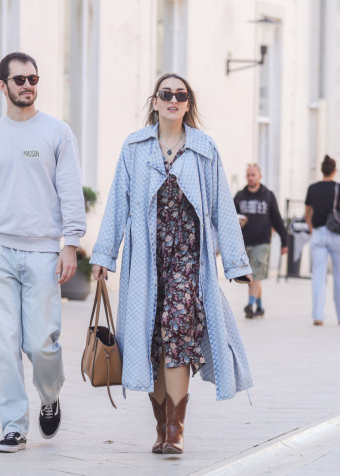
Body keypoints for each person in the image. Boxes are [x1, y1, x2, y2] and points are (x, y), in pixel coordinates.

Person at [90, 73, 253, 455]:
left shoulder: (204, 149)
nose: (173, 100)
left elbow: (221, 208)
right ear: (155, 101)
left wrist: (235, 263)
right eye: (167, 94)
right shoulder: (135, 147)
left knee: (178, 334)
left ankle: (176, 429)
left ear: (189, 103)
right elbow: (117, 203)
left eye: (181, 95)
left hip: (187, 262)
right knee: (152, 343)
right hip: (146, 262)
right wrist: (103, 256)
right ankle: (161, 425)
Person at [0, 52, 86, 453]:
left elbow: (70, 193)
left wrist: (70, 245)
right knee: (2, 343)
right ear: (2, 86)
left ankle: (50, 396)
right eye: (19, 80)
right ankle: (14, 425)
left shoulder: (57, 132)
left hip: (43, 254)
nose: (28, 85)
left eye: (33, 78)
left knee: (41, 343)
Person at [304, 155, 340, 326]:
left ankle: (318, 315)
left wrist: (313, 230)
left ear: (322, 170)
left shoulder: (312, 188)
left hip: (318, 233)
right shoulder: (339, 188)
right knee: (339, 275)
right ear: (334, 171)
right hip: (336, 235)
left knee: (318, 276)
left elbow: (307, 214)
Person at [234, 164, 288, 319]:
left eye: (253, 175)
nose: (250, 178)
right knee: (252, 276)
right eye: (248, 175)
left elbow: (277, 219)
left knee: (256, 275)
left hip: (262, 242)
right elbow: (230, 217)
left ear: (259, 176)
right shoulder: (240, 196)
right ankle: (260, 307)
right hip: (244, 243)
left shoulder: (268, 195)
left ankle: (250, 304)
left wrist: (285, 241)